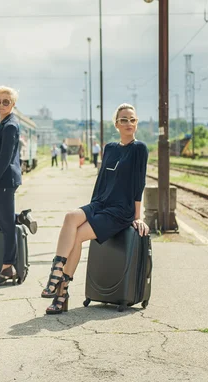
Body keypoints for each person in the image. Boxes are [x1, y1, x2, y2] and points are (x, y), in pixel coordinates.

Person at [41, 103, 150, 314]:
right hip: (101, 203)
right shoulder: (109, 148)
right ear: (116, 124)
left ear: (136, 123)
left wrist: (137, 216)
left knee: (78, 236)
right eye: (124, 120)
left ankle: (60, 292)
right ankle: (57, 273)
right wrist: (90, 211)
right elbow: (101, 181)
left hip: (120, 211)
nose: (129, 123)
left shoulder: (139, 149)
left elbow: (139, 185)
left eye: (132, 119)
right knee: (71, 217)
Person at [0, 86, 38, 286]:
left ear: (13, 104)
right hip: (0, 180)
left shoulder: (11, 125)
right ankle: (21, 217)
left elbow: (5, 159)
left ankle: (8, 267)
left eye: (6, 101)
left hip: (5, 181)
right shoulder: (0, 122)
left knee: (6, 225)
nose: (2, 104)